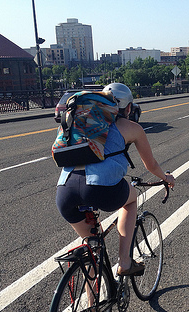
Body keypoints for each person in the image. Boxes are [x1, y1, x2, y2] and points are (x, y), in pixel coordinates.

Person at [56, 83, 176, 276]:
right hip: (100, 189)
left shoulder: (84, 122)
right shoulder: (132, 127)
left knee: (93, 250)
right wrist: (166, 177)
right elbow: (151, 165)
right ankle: (125, 262)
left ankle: (92, 304)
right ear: (128, 108)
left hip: (65, 190)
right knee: (131, 199)